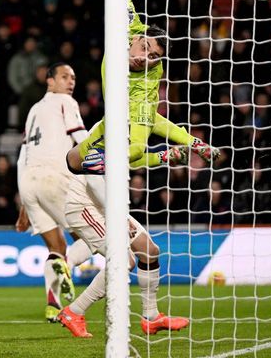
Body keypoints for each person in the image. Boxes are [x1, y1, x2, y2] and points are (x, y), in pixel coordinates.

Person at [66, 0, 220, 174]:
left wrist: (193, 143)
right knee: (72, 160)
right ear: (137, 39)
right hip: (107, 127)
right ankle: (148, 158)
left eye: (154, 56)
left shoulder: (147, 81)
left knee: (111, 157)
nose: (144, 57)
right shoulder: (130, 29)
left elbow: (142, 132)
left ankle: (109, 164)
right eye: (145, 47)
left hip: (118, 132)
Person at [57, 136, 190, 338]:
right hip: (83, 207)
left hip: (106, 204)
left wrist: (165, 156)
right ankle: (73, 312)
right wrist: (118, 217)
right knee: (123, 261)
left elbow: (135, 159)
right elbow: (93, 183)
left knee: (149, 250)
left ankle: (151, 317)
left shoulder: (122, 135)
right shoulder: (98, 140)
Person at [15, 62, 93, 322]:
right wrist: (103, 157)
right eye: (64, 76)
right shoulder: (66, 102)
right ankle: (68, 268)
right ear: (50, 81)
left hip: (29, 182)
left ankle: (53, 305)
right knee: (91, 236)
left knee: (56, 246)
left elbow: (23, 155)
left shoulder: (34, 109)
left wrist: (24, 204)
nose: (70, 82)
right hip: (53, 176)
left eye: (73, 77)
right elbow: (81, 136)